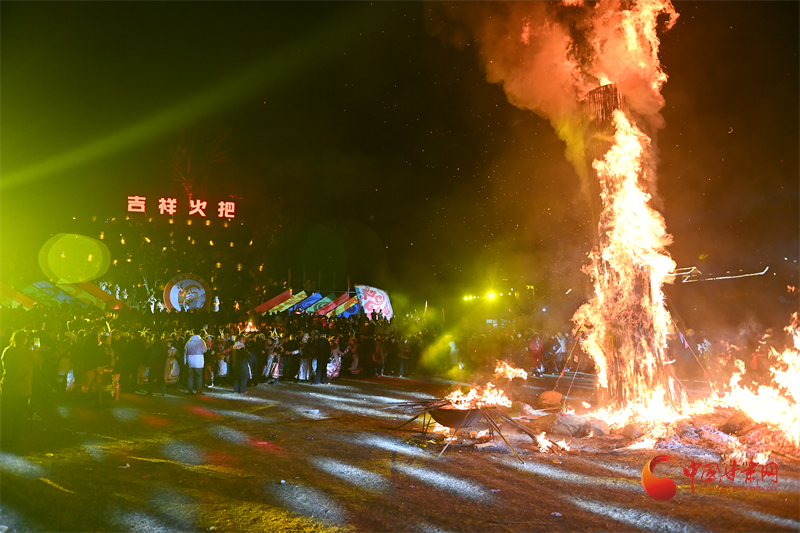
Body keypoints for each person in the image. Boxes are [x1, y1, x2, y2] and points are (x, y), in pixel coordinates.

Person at [1, 330, 42, 448]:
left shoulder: (7, 350)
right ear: (24, 340)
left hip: (6, 387)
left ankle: (4, 438)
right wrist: (37, 351)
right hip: (21, 389)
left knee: (6, 415)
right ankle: (15, 438)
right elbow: (39, 361)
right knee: (18, 415)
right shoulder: (27, 352)